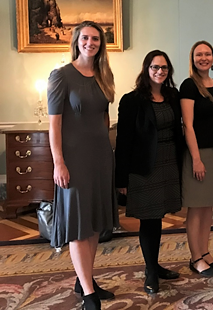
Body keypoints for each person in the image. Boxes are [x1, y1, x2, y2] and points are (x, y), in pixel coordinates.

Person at [47, 21, 117, 310]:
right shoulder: (61, 75)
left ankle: (84, 279)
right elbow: (54, 124)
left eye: (96, 39)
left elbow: (104, 117)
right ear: (76, 41)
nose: (91, 42)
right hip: (73, 159)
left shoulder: (103, 75)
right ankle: (89, 293)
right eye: (86, 38)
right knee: (78, 223)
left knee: (93, 223)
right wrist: (59, 162)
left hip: (100, 156)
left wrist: (107, 150)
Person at [115, 50, 184, 294]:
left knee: (160, 216)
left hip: (169, 163)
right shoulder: (131, 100)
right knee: (149, 219)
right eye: (155, 67)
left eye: (164, 68)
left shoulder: (173, 96)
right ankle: (151, 272)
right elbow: (123, 142)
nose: (160, 72)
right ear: (146, 69)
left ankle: (154, 265)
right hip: (144, 168)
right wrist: (121, 179)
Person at [180, 41, 213, 277]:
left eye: (207, 54)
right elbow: (188, 125)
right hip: (197, 152)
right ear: (193, 57)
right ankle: (195, 257)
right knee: (196, 207)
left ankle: (205, 251)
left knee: (208, 206)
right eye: (199, 54)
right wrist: (196, 158)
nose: (204, 58)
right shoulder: (188, 86)